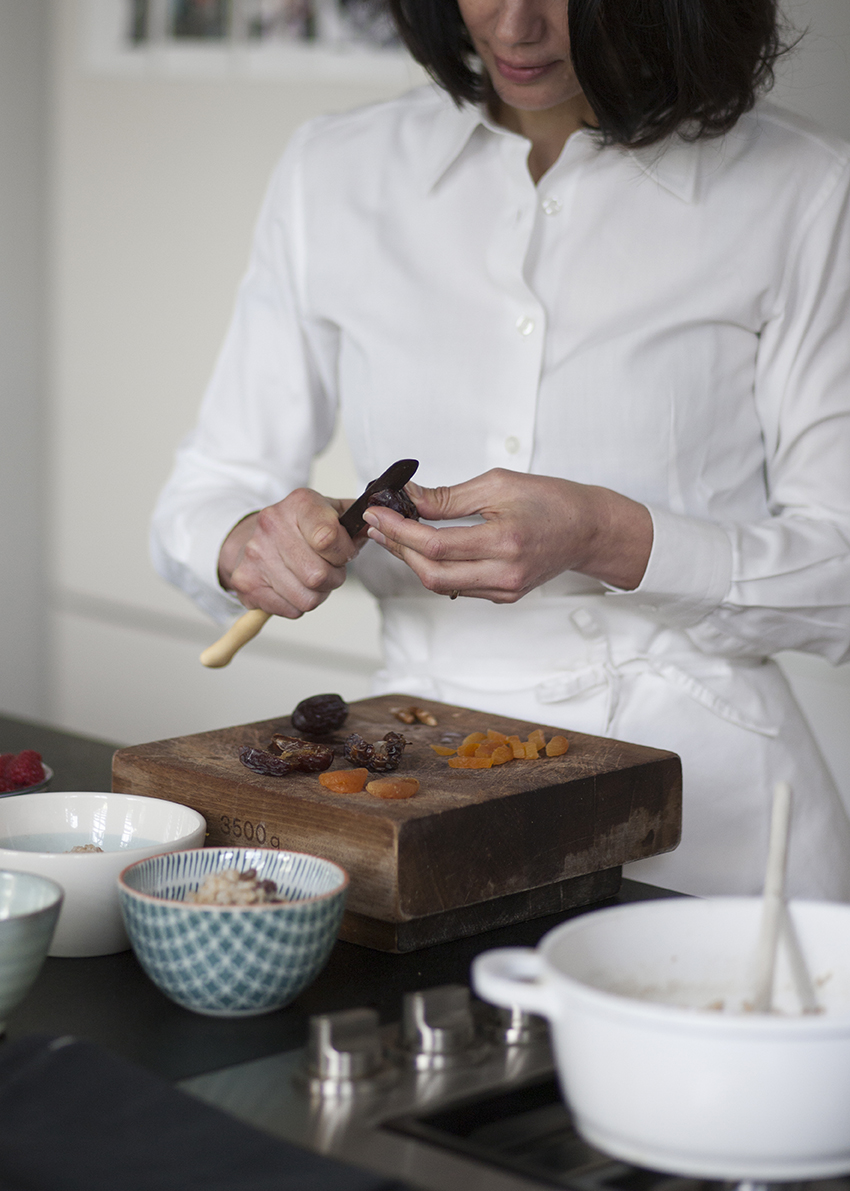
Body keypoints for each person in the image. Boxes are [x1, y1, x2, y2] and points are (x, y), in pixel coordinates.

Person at [152, 0, 850, 901]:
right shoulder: (335, 169)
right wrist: (250, 541)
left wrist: (608, 536)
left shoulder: (805, 187)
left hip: (716, 826)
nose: (515, 28)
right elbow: (208, 488)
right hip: (413, 790)